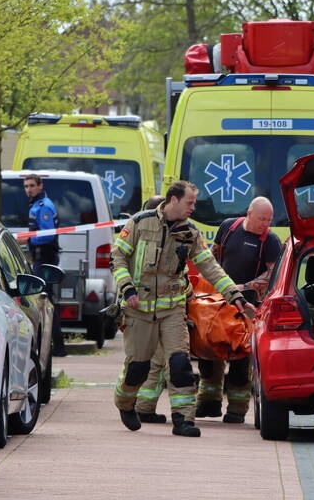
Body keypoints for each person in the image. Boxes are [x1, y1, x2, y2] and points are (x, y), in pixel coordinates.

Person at [111, 180, 255, 437]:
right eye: (189, 202)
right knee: (138, 367)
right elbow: (118, 257)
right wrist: (127, 288)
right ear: (173, 200)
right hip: (139, 309)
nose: (193, 207)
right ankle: (125, 403)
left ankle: (184, 420)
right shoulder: (139, 223)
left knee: (179, 364)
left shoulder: (190, 233)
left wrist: (234, 295)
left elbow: (210, 267)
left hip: (172, 309)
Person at [196, 196, 281, 424]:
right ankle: (208, 403)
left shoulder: (270, 241)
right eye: (262, 218)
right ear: (249, 214)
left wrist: (244, 287)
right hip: (217, 302)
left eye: (270, 219)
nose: (266, 223)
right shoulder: (228, 227)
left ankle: (236, 410)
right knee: (211, 351)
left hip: (248, 306)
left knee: (241, 359)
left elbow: (272, 274)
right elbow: (213, 256)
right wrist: (207, 281)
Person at [112, 195, 172, 424]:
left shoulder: (158, 235)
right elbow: (119, 264)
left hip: (159, 312)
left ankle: (140, 406)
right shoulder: (139, 233)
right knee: (141, 363)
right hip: (141, 312)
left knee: (146, 363)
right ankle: (135, 405)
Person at [24, 174, 65, 357]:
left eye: (32, 185)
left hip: (46, 257)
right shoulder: (35, 205)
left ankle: (58, 345)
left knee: (45, 299)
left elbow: (47, 235)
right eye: (26, 186)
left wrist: (28, 239)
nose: (29, 189)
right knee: (44, 300)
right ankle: (55, 344)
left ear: (41, 186)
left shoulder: (44, 206)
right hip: (40, 257)